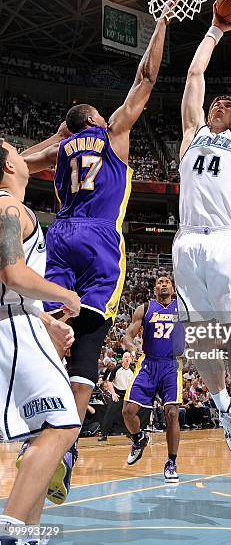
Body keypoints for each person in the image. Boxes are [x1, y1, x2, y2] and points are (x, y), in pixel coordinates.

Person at [21, 15, 170, 500]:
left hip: (59, 234)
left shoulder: (63, 147)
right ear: (99, 121)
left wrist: (59, 134)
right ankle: (65, 448)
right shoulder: (114, 134)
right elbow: (145, 79)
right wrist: (162, 22)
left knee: (47, 330)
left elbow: (17, 162)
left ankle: (37, 429)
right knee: (87, 343)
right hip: (101, 239)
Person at [172, 0, 231, 463]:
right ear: (208, 112)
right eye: (218, 101)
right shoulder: (190, 135)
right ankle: (223, 405)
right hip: (187, 243)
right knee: (201, 339)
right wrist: (213, 30)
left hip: (228, 241)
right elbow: (194, 76)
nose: (225, 102)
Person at [0, 140, 81, 537]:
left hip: (18, 321)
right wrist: (63, 293)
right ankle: (11, 527)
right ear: (8, 165)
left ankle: (26, 534)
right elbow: (14, 276)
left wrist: (47, 322)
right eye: (17, 151)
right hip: (11, 330)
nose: (23, 154)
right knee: (63, 426)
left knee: (46, 432)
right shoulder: (7, 206)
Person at [122, 276, 185, 483]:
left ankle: (171, 462)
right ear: (155, 288)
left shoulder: (182, 308)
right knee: (128, 411)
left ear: (173, 288)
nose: (163, 283)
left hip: (171, 364)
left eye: (167, 281)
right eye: (159, 281)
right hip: (148, 363)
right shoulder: (145, 308)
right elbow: (127, 335)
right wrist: (132, 347)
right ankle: (139, 439)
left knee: (172, 412)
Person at [97, 352, 134, 441]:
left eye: (129, 357)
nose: (127, 359)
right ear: (122, 359)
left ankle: (131, 433)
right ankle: (104, 434)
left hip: (127, 394)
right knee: (110, 412)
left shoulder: (132, 370)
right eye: (125, 357)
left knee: (130, 413)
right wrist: (113, 393)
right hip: (118, 393)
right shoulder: (117, 369)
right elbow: (109, 381)